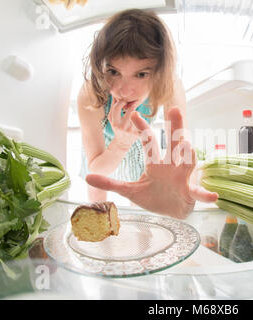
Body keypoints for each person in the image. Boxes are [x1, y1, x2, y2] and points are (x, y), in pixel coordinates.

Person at [78, 9, 218, 219]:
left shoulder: (168, 84)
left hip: (138, 153)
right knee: (98, 206)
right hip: (103, 154)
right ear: (101, 66)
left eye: (141, 74)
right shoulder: (91, 93)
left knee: (144, 210)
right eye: (113, 72)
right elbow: (96, 169)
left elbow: (180, 136)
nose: (124, 90)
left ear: (159, 72)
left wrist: (184, 173)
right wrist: (120, 144)